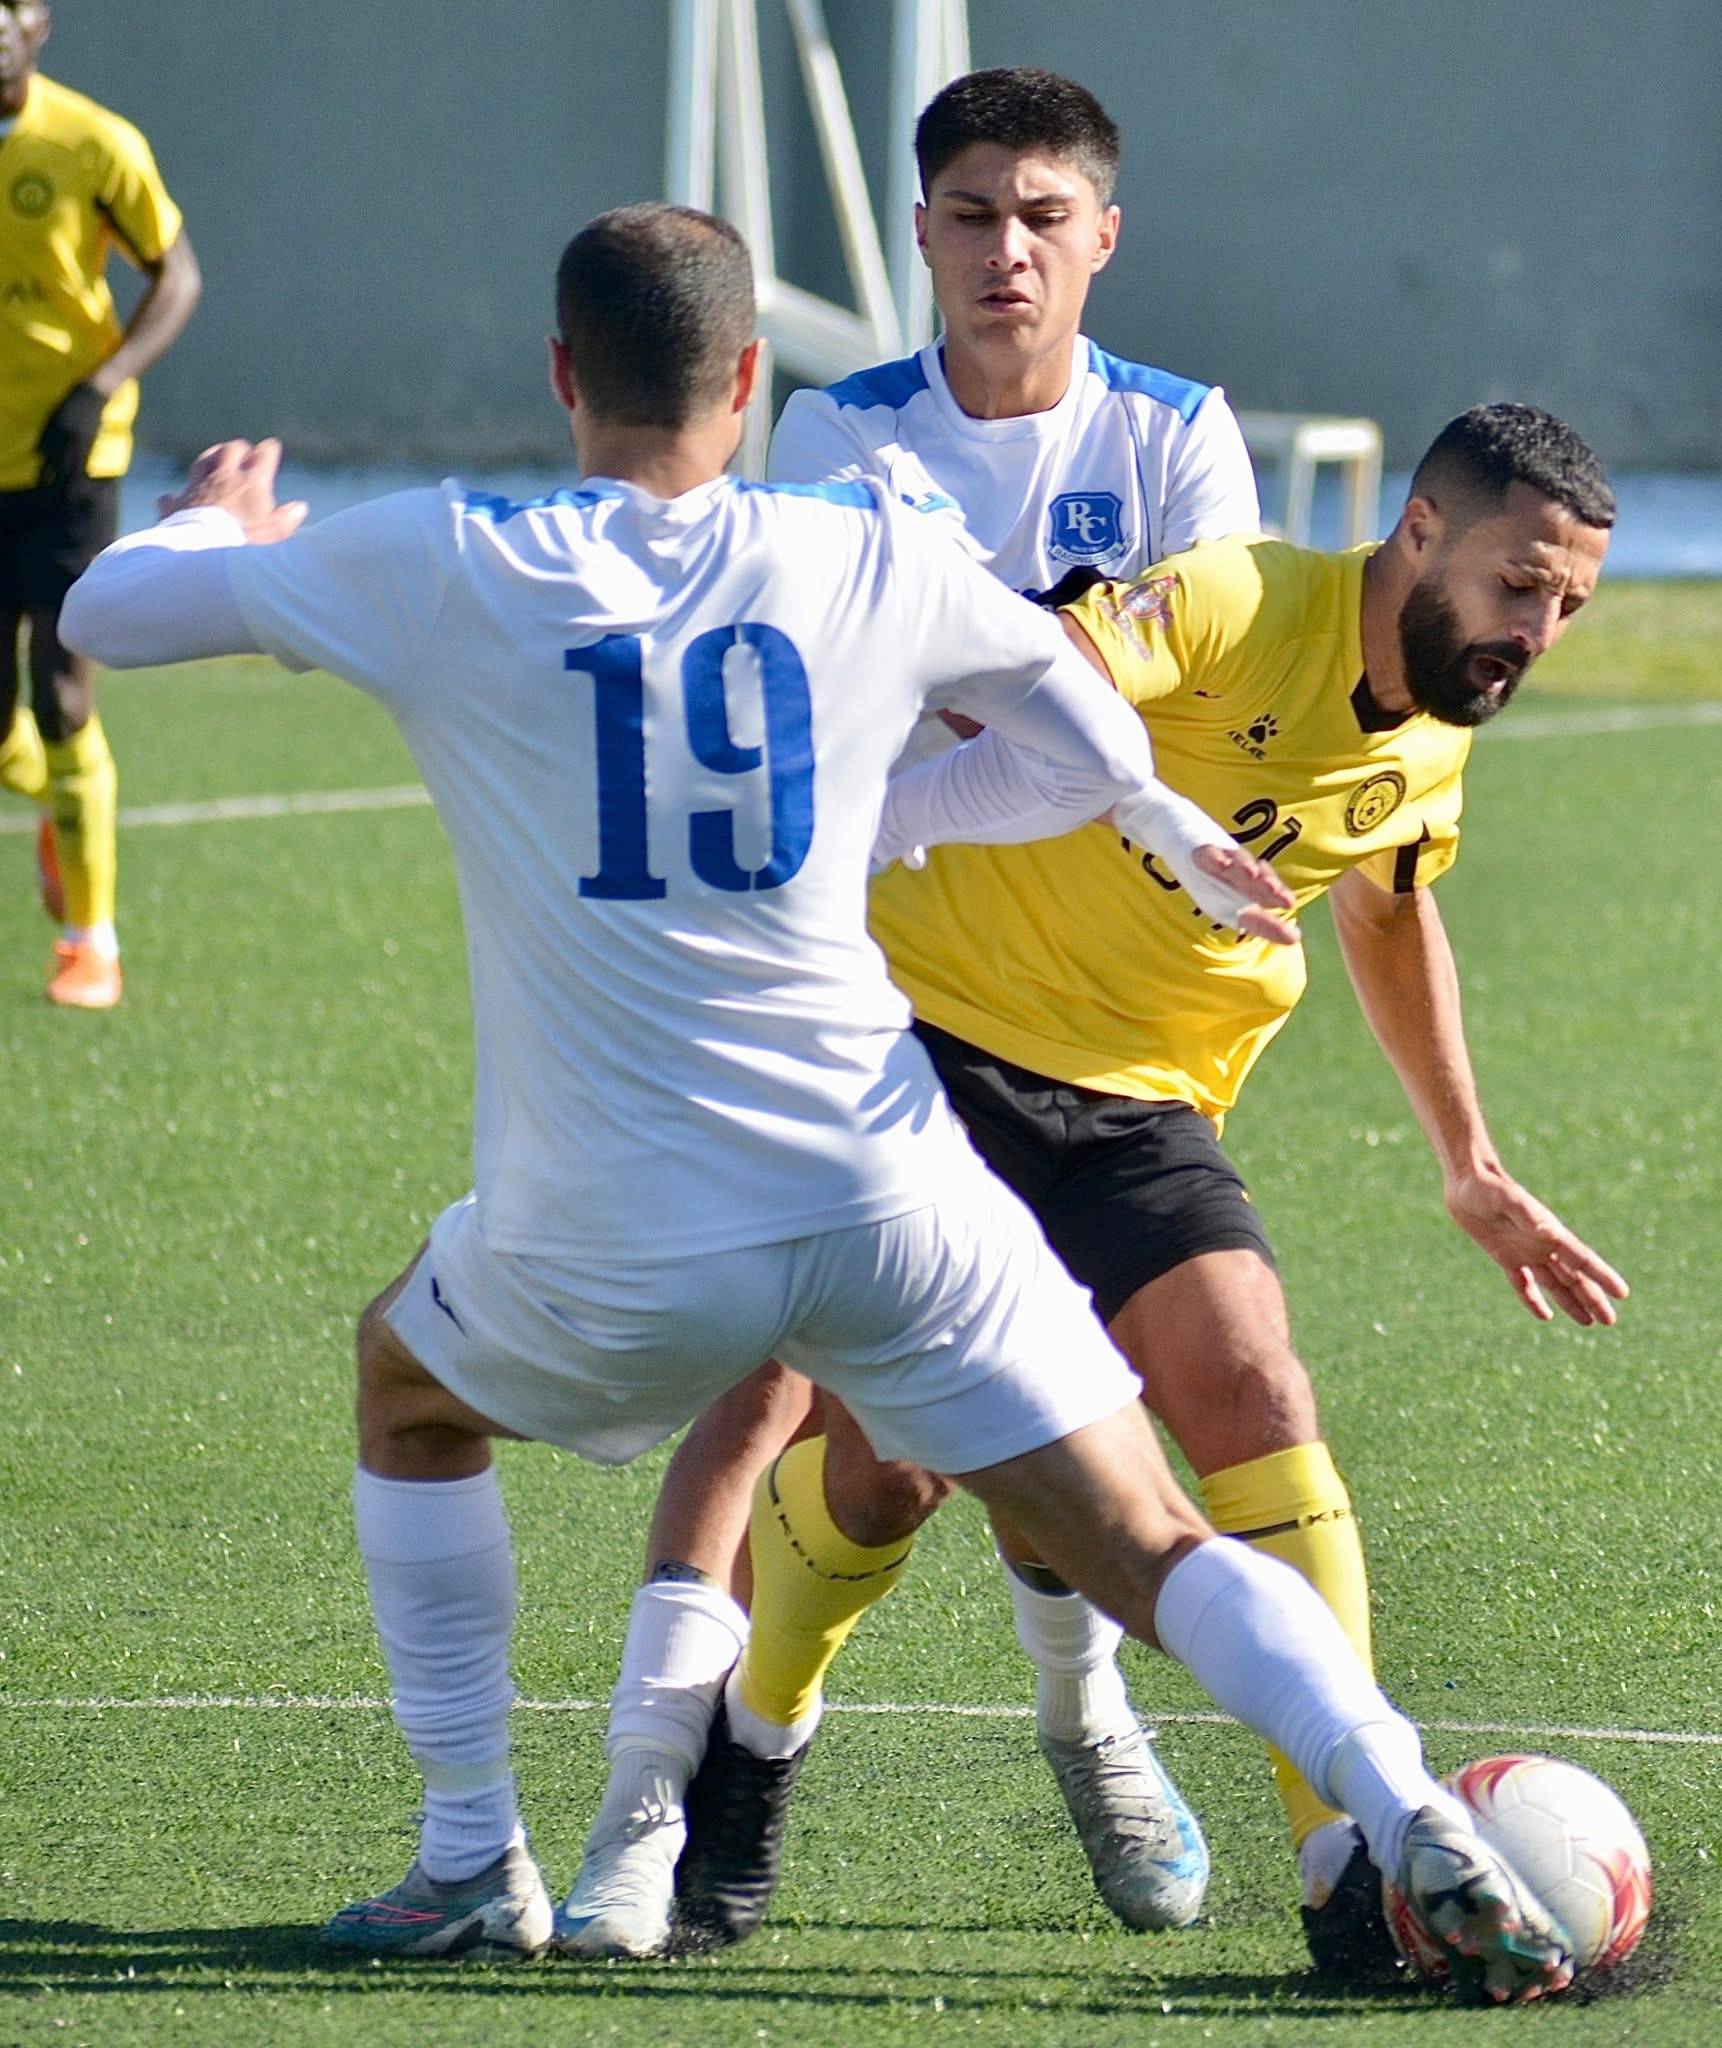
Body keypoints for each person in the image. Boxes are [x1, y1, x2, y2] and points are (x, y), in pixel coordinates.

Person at [63, 205, 1572, 2009]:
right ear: (749, 379)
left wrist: (222, 529)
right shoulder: (857, 555)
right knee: (1156, 1536)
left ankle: (475, 1851)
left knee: (407, 1381)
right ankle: (1401, 1799)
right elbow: (1072, 720)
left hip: (613, 1222)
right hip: (885, 1187)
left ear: (562, 375)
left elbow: (105, 611)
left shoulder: (453, 557)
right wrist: (1158, 823)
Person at [662, 403, 1628, 1977]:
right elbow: (1036, 701)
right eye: (1522, 584)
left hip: (1142, 1112)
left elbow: (1385, 910)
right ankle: (752, 1746)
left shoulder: (1438, 720)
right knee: (892, 1466)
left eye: (1569, 605)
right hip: (934, 1055)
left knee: (1252, 1384)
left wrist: (1471, 1166)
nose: (1539, 628)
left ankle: (1339, 1861)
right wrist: (1118, 813)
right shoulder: (1241, 599)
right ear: (1421, 530)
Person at [566, 64, 1261, 1959]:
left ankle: (1080, 1712)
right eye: (969, 212)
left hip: (1096, 1012)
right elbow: (851, 703)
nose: (1005, 248)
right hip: (859, 992)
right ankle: (696, 1771)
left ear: (1101, 234)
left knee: (1044, 1403)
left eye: (1043, 214)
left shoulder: (1188, 440)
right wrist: (1025, 717)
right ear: (921, 233)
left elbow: (1149, 742)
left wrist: (986, 728)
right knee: (811, 1407)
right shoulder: (835, 425)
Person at [0, 0, 200, 1007]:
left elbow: (177, 275)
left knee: (63, 689)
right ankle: (56, 810)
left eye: (13, 5)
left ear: (42, 23)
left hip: (70, 457)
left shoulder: (93, 143)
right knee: (6, 730)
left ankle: (91, 940)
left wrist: (101, 384)